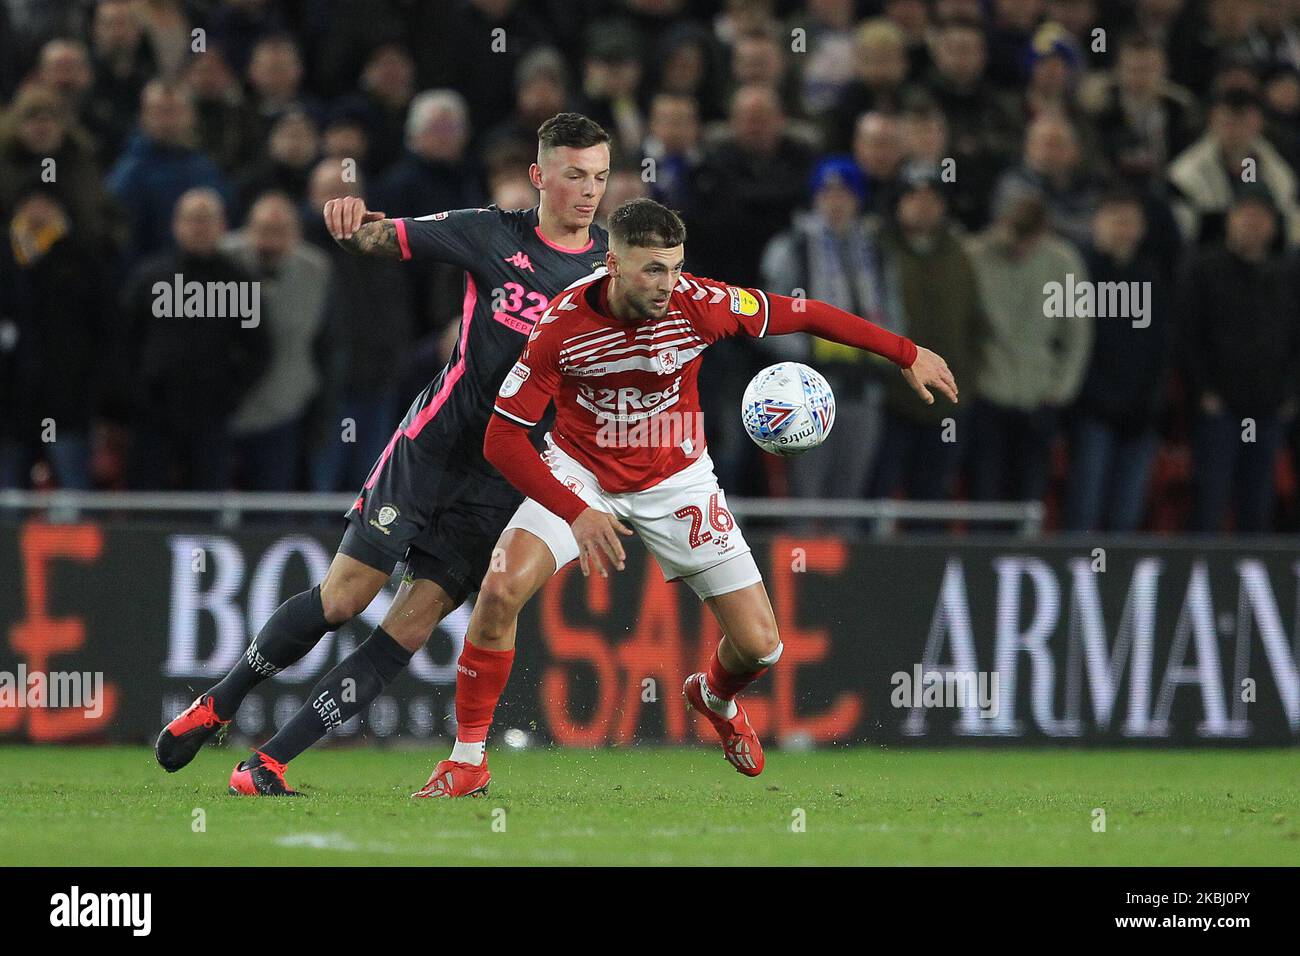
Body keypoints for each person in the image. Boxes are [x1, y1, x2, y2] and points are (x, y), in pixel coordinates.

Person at [412, 198, 957, 797]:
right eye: (652, 270)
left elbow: (804, 313)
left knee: (761, 647)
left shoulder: (703, 304)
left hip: (678, 477)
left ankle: (714, 697)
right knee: (499, 590)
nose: (668, 284)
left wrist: (906, 352)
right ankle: (467, 761)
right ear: (612, 264)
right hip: (580, 471)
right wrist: (577, 510)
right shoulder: (562, 325)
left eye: (674, 267)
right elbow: (501, 439)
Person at [154, 114, 614, 797]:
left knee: (414, 620)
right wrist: (349, 221)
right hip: (430, 449)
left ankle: (268, 764)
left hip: (504, 475)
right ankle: (218, 703)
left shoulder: (614, 265)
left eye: (600, 177)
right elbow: (386, 235)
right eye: (574, 174)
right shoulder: (492, 232)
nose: (589, 191)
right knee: (343, 598)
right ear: (540, 176)